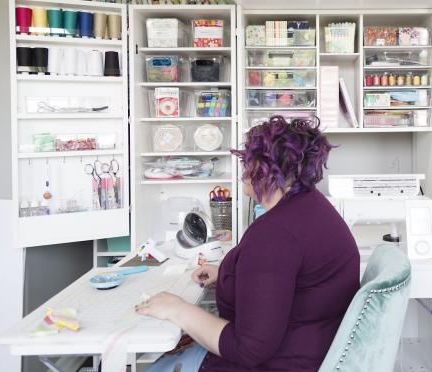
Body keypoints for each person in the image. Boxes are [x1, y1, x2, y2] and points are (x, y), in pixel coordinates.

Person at [138, 116, 360, 371]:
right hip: (311, 350)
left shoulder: (275, 234)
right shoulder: (312, 205)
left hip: (279, 365)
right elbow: (289, 278)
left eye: (247, 161)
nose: (243, 169)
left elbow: (248, 349)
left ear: (265, 169)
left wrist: (178, 310)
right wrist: (230, 273)